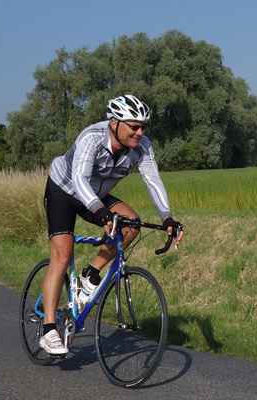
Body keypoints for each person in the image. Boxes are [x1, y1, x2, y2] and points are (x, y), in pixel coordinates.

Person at [39, 95, 183, 355]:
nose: (140, 132)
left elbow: (153, 181)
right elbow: (79, 179)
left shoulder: (142, 146)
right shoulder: (92, 138)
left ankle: (90, 273)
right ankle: (49, 330)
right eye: (134, 126)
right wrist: (100, 211)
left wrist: (167, 217)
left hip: (97, 195)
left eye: (143, 127)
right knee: (62, 254)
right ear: (115, 123)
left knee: (132, 225)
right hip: (64, 190)